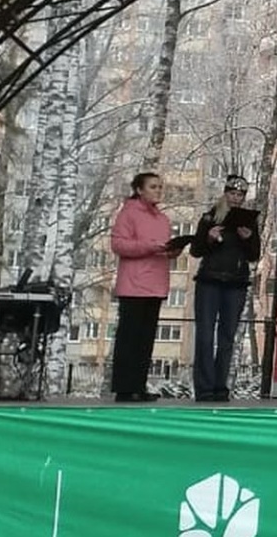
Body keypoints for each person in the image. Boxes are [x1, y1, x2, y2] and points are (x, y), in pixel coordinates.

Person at [109, 171, 181, 403]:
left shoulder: (163, 219)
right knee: (129, 338)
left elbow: (161, 248)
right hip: (133, 284)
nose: (158, 191)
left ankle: (138, 385)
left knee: (146, 339)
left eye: (160, 187)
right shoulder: (128, 213)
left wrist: (172, 251)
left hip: (156, 283)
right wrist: (149, 246)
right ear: (139, 190)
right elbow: (118, 245)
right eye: (153, 186)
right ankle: (124, 388)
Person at [188, 175, 261, 403]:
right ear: (225, 194)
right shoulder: (210, 217)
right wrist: (209, 238)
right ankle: (204, 387)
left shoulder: (248, 222)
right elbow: (196, 251)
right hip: (209, 281)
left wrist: (247, 239)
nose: (236, 198)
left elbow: (254, 255)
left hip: (236, 284)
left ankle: (221, 386)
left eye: (240, 195)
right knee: (205, 335)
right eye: (232, 193)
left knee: (228, 337)